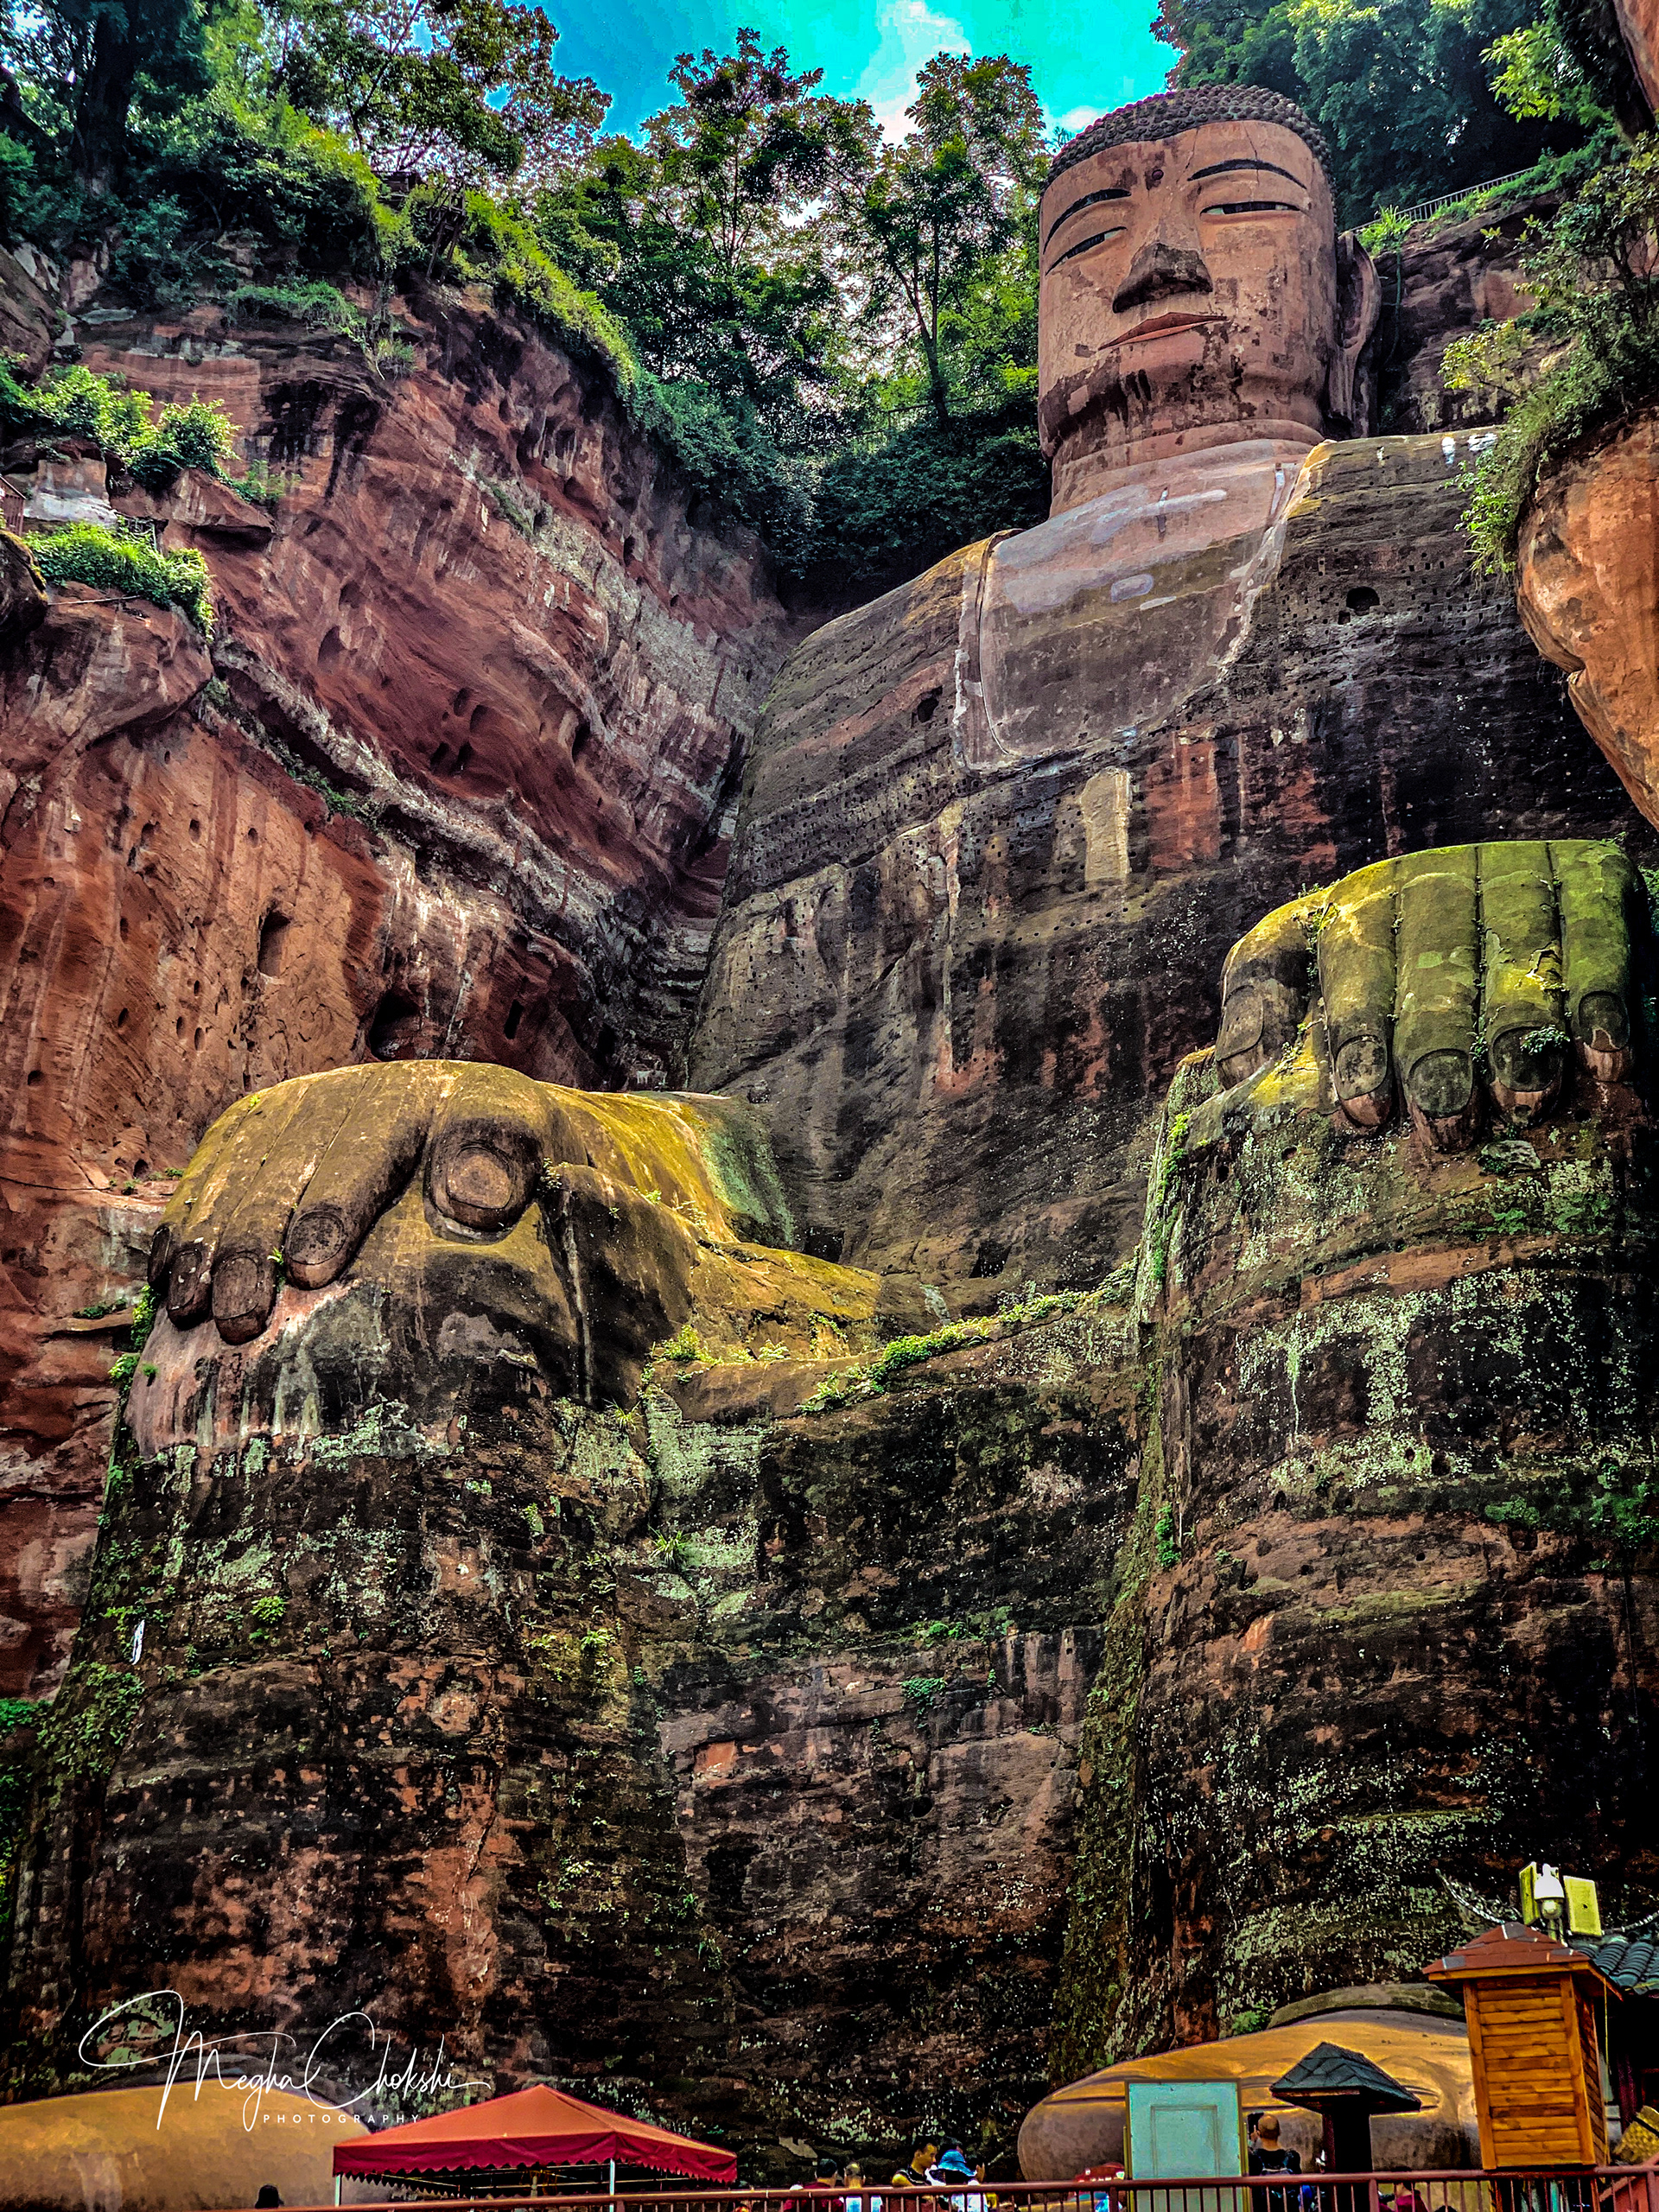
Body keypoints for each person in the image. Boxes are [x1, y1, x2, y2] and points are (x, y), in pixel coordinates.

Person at [1249, 2113, 1301, 2212]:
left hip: (1264, 2208)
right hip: (1289, 2208)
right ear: (1280, 2132)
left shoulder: (1254, 2159)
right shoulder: (1293, 2157)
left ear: (1259, 2134)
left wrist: (1251, 2142)